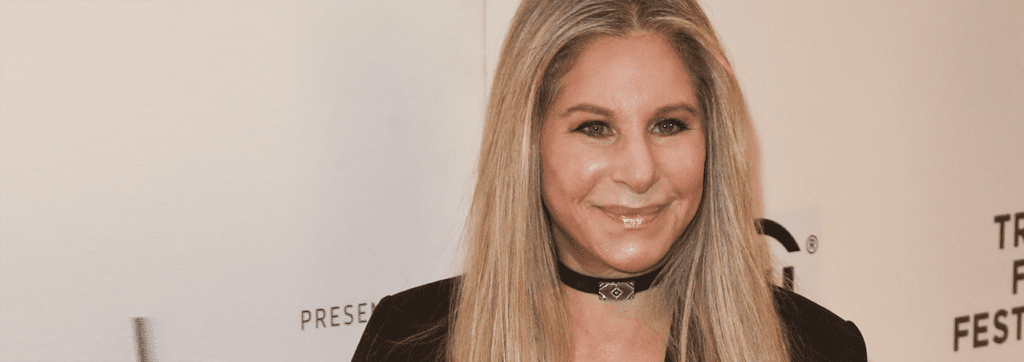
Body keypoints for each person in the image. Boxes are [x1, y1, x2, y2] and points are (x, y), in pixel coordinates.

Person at [352, 0, 867, 361]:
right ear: (527, 143)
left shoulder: (820, 348)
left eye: (669, 125)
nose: (640, 171)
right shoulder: (411, 342)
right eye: (595, 128)